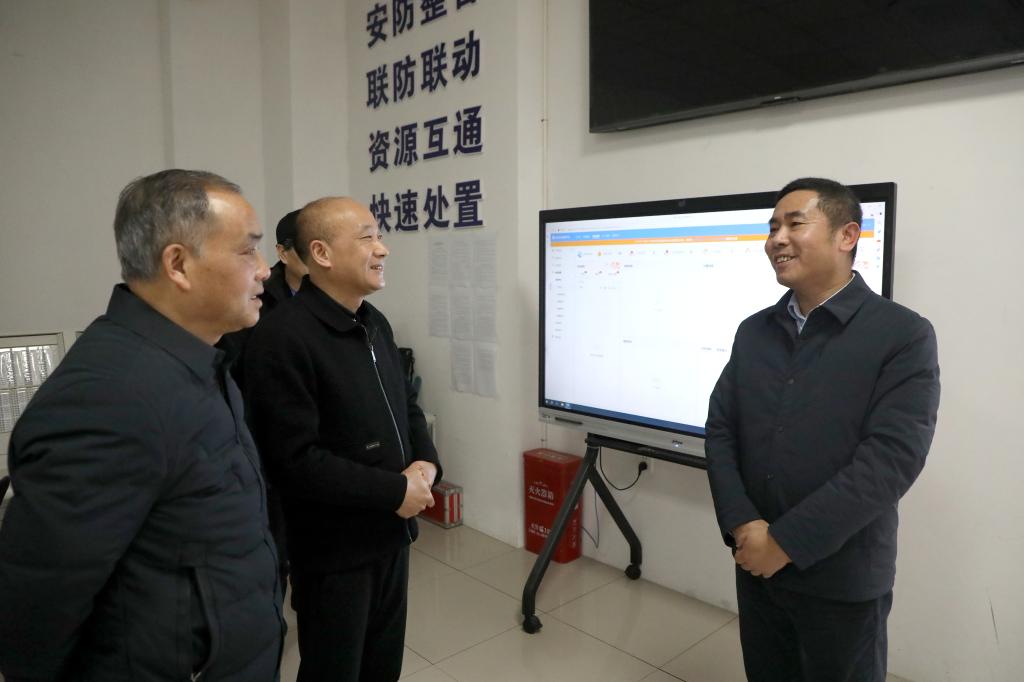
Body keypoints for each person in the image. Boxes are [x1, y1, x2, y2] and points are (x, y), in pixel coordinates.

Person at [0, 169, 285, 681]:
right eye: (248, 251)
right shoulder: (110, 396)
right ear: (178, 264)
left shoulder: (197, 360)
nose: (264, 270)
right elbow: (39, 600)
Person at [705, 177, 940, 682]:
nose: (777, 239)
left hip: (842, 580)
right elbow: (721, 430)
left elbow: (891, 460)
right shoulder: (754, 331)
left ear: (847, 235)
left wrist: (785, 543)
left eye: (795, 224)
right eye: (772, 227)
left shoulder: (902, 334)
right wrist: (743, 525)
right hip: (756, 567)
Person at [242, 196, 441, 682]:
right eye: (367, 237)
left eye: (380, 236)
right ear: (322, 253)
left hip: (392, 538)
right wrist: (395, 490)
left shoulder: (373, 323)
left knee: (382, 667)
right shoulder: (282, 337)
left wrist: (427, 463)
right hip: (335, 554)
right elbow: (294, 461)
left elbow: (407, 406)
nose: (382, 249)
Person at [218, 208, 309, 599]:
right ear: (284, 253)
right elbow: (233, 371)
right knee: (276, 540)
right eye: (308, 250)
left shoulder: (332, 296)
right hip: (265, 437)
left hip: (315, 440)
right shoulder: (255, 296)